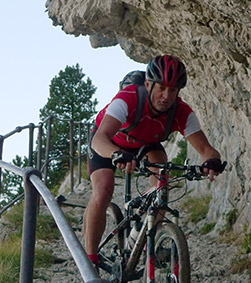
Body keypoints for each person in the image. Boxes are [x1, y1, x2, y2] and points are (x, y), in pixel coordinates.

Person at [83, 54, 226, 265]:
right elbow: (100, 139)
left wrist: (211, 161)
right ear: (148, 84)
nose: (166, 96)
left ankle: (147, 236)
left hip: (145, 144)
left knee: (162, 187)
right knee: (103, 189)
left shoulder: (181, 112)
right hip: (110, 143)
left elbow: (206, 149)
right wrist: (116, 154)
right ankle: (90, 260)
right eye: (161, 88)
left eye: (173, 90)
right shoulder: (128, 99)